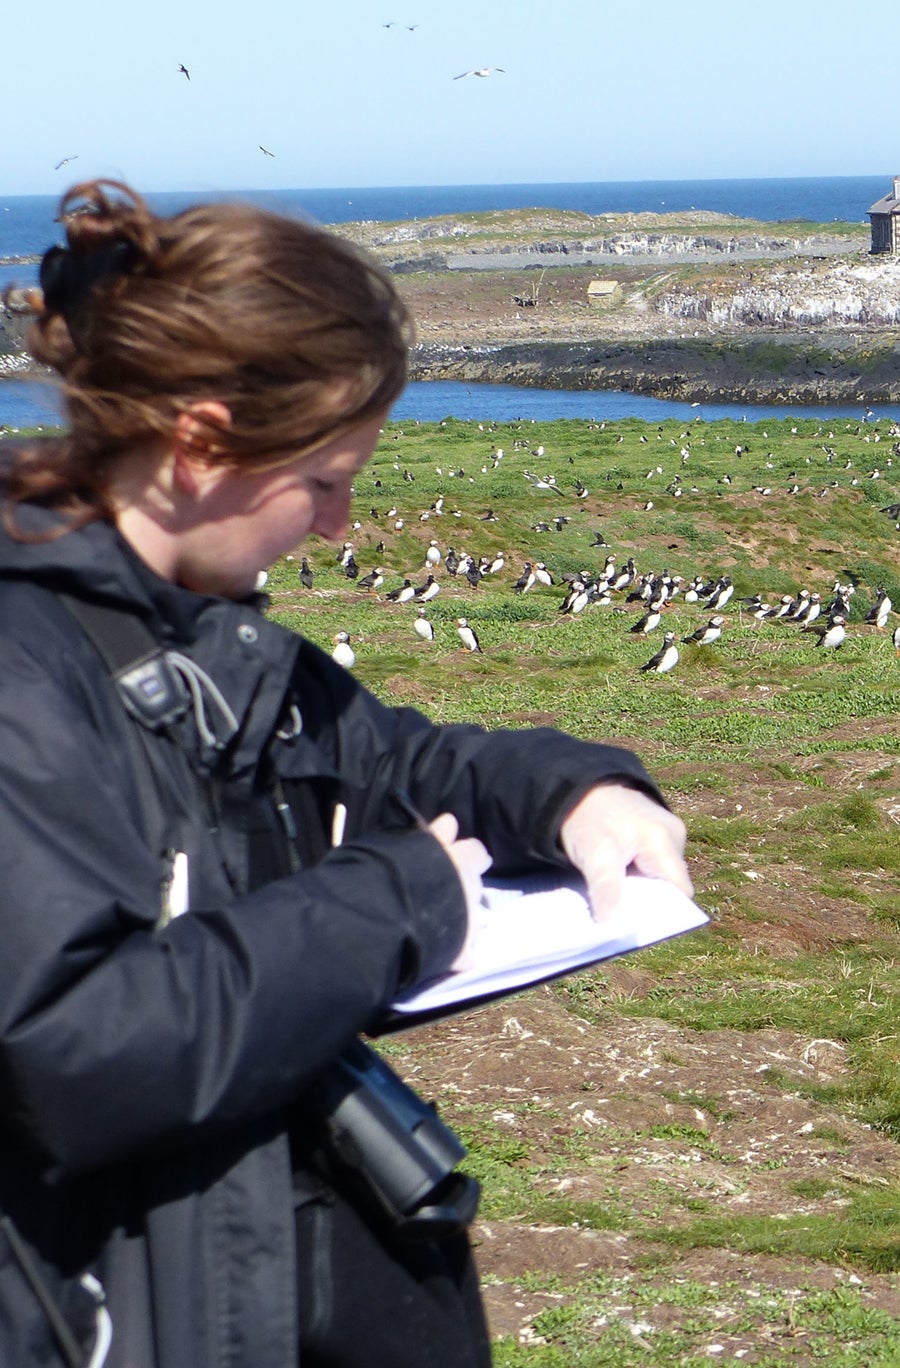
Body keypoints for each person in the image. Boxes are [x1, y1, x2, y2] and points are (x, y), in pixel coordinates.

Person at [0, 181, 690, 1368]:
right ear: (203, 441)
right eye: (322, 481)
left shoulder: (202, 635)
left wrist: (575, 791)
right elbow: (73, 1046)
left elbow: (398, 763)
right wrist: (395, 905)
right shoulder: (25, 673)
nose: (338, 526)